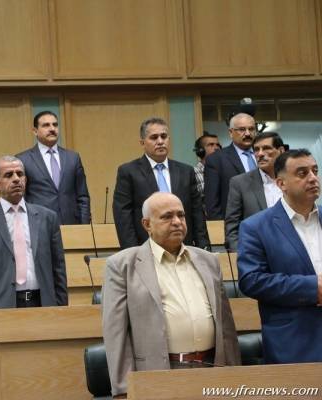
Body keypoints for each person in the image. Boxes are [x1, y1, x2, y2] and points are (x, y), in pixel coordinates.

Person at [103, 192, 240, 398]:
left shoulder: (209, 261)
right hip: (159, 373)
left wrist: (235, 375)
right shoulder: (122, 266)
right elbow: (116, 333)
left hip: (213, 368)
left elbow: (226, 327)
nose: (177, 222)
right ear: (147, 224)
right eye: (167, 217)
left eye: (181, 215)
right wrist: (123, 389)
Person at [0, 155, 68, 338]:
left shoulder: (47, 218)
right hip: (0, 308)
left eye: (20, 174)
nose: (16, 179)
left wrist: (62, 310)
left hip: (42, 305)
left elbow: (59, 270)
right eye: (8, 175)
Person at [238, 149, 322, 364]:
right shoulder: (256, 227)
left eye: (315, 171)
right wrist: (313, 287)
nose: (313, 178)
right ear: (281, 183)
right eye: (302, 173)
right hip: (294, 342)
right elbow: (252, 280)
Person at [113, 117, 208, 250]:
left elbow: (196, 212)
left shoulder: (186, 171)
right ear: (142, 142)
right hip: (146, 247)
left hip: (183, 245)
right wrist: (133, 252)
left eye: (163, 136)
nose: (160, 141)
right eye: (154, 137)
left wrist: (202, 246)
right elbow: (123, 216)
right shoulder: (129, 172)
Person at [16, 111, 91, 224]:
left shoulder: (73, 158)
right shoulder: (23, 159)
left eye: (55, 125)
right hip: (39, 224)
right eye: (46, 125)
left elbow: (83, 197)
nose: (52, 129)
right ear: (35, 131)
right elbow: (20, 198)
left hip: (71, 224)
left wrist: (84, 226)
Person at [224, 132, 285, 250]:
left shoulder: (293, 180)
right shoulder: (240, 183)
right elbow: (232, 226)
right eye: (256, 150)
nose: (260, 154)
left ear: (281, 151)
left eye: (266, 148)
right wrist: (240, 253)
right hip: (256, 251)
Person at [204, 113, 257, 220]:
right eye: (242, 129)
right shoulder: (216, 160)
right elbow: (212, 202)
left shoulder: (263, 155)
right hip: (235, 223)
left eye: (251, 129)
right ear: (231, 133)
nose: (248, 133)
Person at [193, 132, 221, 198]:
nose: (216, 148)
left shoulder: (225, 169)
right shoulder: (193, 172)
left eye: (218, 145)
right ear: (201, 151)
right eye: (211, 145)